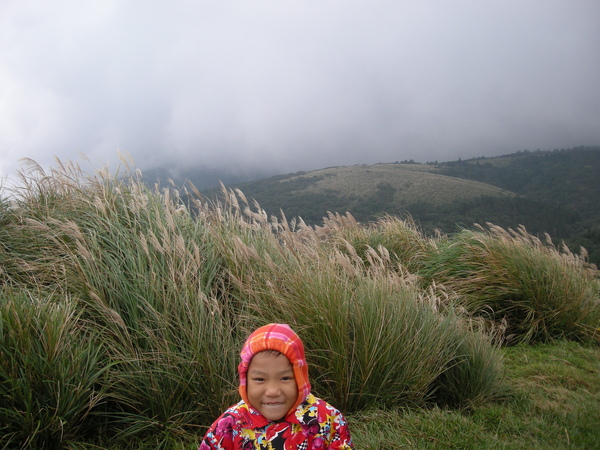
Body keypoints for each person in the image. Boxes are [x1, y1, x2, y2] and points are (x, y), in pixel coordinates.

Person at [199, 323, 355, 449]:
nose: (273, 391)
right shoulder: (228, 426)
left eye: (285, 378)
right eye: (260, 379)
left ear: (301, 379)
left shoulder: (328, 419)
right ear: (245, 380)